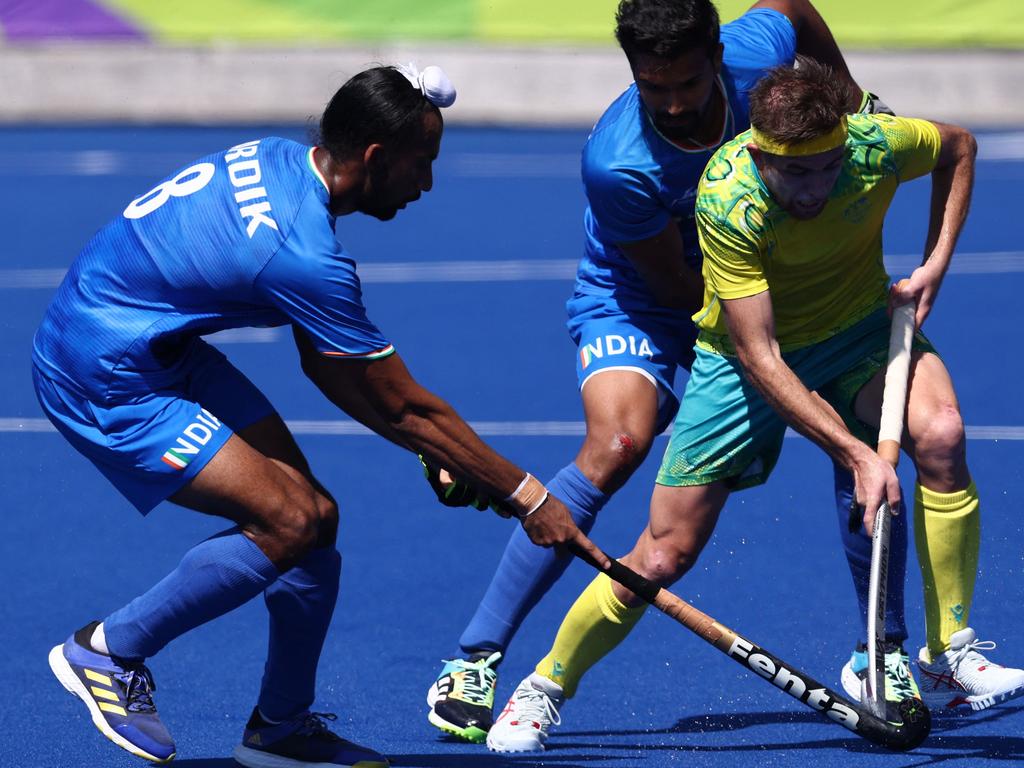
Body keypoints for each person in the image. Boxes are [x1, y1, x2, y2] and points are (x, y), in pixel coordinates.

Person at [34, 64, 607, 768]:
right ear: (375, 158)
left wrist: (433, 448)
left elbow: (330, 368)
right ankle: (108, 651)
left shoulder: (281, 159)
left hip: (149, 339)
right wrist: (529, 497)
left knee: (314, 522)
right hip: (103, 369)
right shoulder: (303, 254)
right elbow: (403, 402)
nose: (425, 184)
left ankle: (280, 728)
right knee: (290, 520)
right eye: (421, 164)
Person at [484, 56, 1024, 752]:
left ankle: (949, 655)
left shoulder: (873, 146)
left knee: (943, 434)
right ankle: (544, 687)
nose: (815, 188)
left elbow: (959, 147)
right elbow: (761, 355)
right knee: (663, 555)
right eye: (795, 173)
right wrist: (857, 454)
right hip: (743, 366)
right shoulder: (729, 196)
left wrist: (934, 263)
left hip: (858, 333)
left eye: (827, 168)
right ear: (762, 151)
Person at [425, 0, 907, 745]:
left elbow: (793, 8)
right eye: (654, 88)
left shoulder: (755, 57)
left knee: (862, 416)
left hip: (751, 283)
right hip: (644, 295)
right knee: (618, 445)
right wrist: (767, 364)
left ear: (716, 55)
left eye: (686, 82)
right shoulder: (619, 165)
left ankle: (886, 653)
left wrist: (851, 100)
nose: (675, 105)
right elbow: (679, 292)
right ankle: (476, 659)